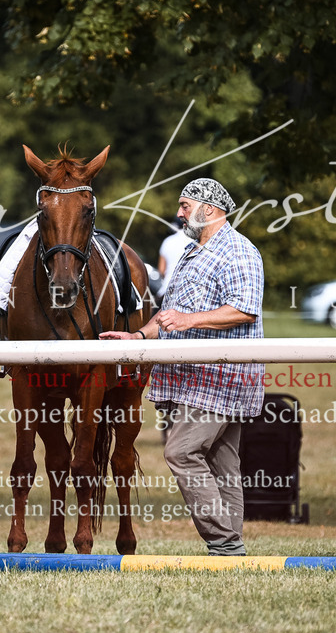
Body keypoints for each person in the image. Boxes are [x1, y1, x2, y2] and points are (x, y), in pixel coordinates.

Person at [100, 178, 264, 557]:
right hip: (190, 378)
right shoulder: (192, 252)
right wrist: (139, 338)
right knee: (222, 462)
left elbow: (244, 308)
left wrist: (189, 321)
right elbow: (168, 313)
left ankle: (223, 540)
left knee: (180, 452)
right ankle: (230, 551)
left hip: (220, 376)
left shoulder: (238, 250)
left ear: (209, 209)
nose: (178, 214)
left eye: (185, 206)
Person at [156, 217, 194, 302]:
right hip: (187, 294)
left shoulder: (168, 241)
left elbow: (161, 270)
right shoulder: (195, 241)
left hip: (166, 290)